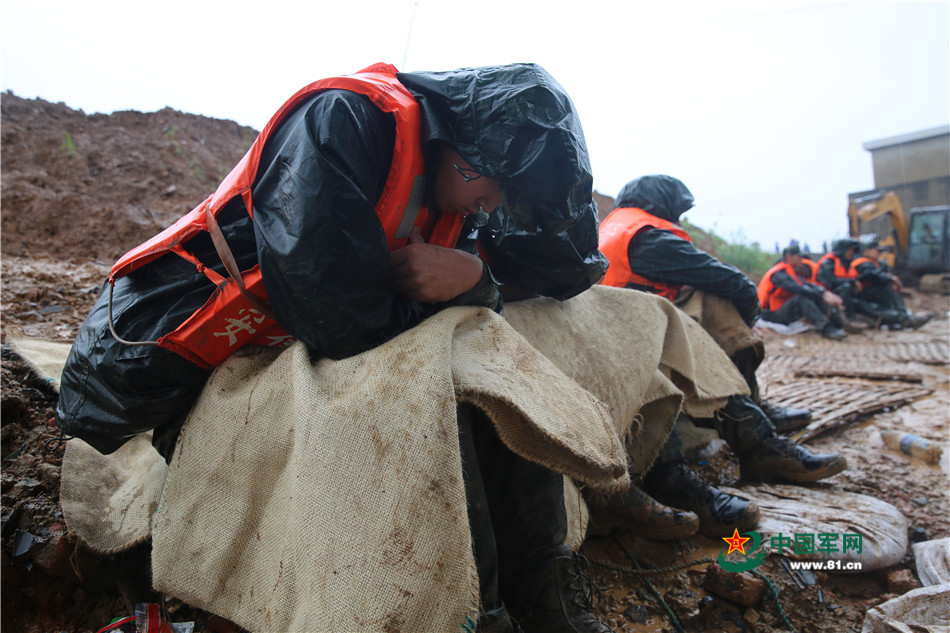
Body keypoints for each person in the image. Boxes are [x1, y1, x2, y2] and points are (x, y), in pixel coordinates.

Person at [57, 63, 614, 633]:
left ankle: (544, 597)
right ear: (463, 144)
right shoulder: (344, 122)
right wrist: (462, 291)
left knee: (494, 375)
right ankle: (484, 617)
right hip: (174, 357)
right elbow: (342, 319)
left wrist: (476, 280)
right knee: (422, 389)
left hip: (296, 342)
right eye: (495, 185)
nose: (493, 206)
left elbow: (515, 287)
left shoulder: (455, 189)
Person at [595, 175, 846, 538]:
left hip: (631, 335)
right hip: (630, 352)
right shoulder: (645, 235)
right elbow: (732, 281)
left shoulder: (615, 228)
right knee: (717, 297)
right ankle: (748, 436)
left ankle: (753, 419)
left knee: (699, 303)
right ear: (661, 205)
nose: (678, 221)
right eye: (677, 212)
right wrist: (752, 320)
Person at [759, 244, 849, 340]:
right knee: (801, 297)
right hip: (771, 315)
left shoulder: (790, 271)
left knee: (812, 294)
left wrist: (824, 293)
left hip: (782, 311)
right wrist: (822, 295)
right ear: (789, 257)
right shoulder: (778, 273)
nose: (801, 259)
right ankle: (826, 328)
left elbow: (807, 284)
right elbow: (798, 288)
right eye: (799, 256)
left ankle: (836, 323)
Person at [851, 240, 933, 329]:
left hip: (874, 293)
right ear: (867, 251)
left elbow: (884, 274)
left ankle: (902, 318)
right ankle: (904, 318)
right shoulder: (862, 263)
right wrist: (890, 279)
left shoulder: (878, 263)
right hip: (863, 295)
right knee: (888, 292)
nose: (879, 253)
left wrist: (891, 281)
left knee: (890, 291)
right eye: (877, 251)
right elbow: (873, 275)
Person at [815, 238, 861, 321]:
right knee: (845, 287)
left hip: (842, 295)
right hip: (824, 295)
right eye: (850, 250)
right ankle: (846, 318)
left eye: (853, 250)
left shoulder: (847, 263)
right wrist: (852, 282)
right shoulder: (828, 262)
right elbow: (832, 282)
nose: (852, 252)